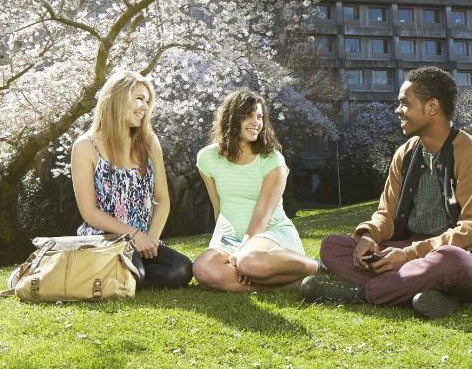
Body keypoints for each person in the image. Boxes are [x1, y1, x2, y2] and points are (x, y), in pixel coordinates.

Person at [302, 67, 472, 317]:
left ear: (432, 107)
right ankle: (429, 295)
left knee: (451, 261)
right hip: (410, 251)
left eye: (405, 103)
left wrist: (407, 256)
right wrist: (369, 236)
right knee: (333, 247)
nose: (398, 110)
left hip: (464, 257)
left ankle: (361, 294)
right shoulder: (404, 153)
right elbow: (387, 212)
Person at [69, 70, 193, 289]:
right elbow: (89, 212)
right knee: (136, 272)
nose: (145, 106)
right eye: (138, 99)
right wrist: (133, 235)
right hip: (104, 239)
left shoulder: (149, 141)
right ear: (116, 99)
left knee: (181, 269)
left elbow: (162, 199)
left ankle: (125, 276)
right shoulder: (85, 147)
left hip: (142, 240)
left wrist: (151, 240)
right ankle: (111, 273)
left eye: (147, 101)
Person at [191, 89, 314, 292]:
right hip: (233, 239)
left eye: (259, 116)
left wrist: (241, 251)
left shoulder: (272, 160)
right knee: (203, 268)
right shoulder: (207, 158)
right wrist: (222, 247)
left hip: (270, 236)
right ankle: (281, 286)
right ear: (231, 119)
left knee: (249, 262)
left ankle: (316, 267)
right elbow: (219, 208)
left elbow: (262, 217)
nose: (256, 122)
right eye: (248, 116)